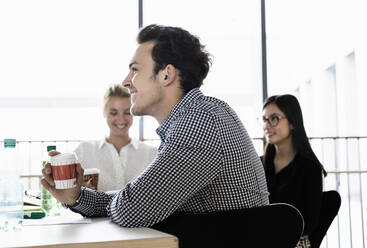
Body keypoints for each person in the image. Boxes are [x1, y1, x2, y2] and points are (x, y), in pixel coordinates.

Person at [41, 24, 269, 228]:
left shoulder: (200, 121)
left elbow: (132, 209)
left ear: (167, 74)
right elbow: (136, 200)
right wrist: (77, 197)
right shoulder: (197, 116)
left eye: (135, 69)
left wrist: (129, 200)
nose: (126, 81)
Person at [260, 94, 327, 248]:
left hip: (293, 241)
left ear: (293, 123)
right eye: (264, 119)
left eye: (274, 118)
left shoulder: (310, 168)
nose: (267, 126)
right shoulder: (259, 164)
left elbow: (309, 222)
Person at [74, 84, 158, 191]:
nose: (121, 119)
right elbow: (66, 199)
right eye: (114, 113)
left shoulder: (151, 154)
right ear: (104, 113)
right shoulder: (84, 150)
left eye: (127, 112)